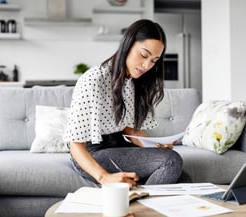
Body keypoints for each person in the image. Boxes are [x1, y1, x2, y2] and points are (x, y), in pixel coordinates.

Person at [64, 19, 184, 188]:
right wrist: (104, 178)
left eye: (154, 60)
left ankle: (139, 205)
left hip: (118, 145)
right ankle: (139, 207)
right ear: (128, 45)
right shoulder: (94, 79)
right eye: (144, 55)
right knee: (171, 162)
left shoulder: (135, 81)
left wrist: (154, 146)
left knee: (183, 177)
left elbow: (128, 129)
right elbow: (75, 144)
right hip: (91, 155)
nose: (147, 65)